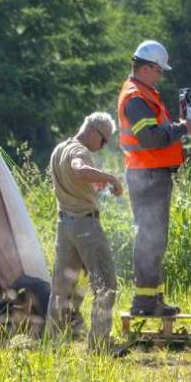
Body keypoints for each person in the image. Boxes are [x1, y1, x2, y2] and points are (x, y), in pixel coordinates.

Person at [117, 40, 191, 316]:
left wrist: (179, 125)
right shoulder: (135, 98)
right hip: (147, 175)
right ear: (147, 68)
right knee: (150, 238)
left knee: (156, 239)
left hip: (151, 175)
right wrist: (183, 127)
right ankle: (143, 303)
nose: (161, 76)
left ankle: (153, 300)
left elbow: (157, 131)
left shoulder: (144, 94)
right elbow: (151, 138)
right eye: (159, 71)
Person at [47, 112, 123, 351]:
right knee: (105, 283)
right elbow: (79, 169)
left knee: (62, 288)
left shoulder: (60, 148)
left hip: (64, 225)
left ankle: (54, 343)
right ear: (93, 131)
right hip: (85, 225)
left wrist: (95, 182)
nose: (103, 146)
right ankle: (101, 344)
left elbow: (76, 180)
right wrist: (111, 178)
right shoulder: (79, 151)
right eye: (104, 140)